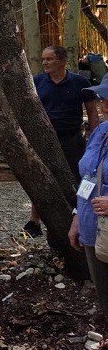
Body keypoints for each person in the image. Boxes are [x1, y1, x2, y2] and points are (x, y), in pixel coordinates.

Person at [26, 45, 101, 237]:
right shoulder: (37, 81)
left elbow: (92, 112)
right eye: (43, 59)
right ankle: (34, 220)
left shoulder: (80, 82)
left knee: (78, 177)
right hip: (45, 138)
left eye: (49, 59)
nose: (44, 63)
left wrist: (94, 138)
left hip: (72, 138)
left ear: (61, 61)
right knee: (41, 176)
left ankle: (78, 217)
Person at [69, 82, 108, 315]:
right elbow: (88, 175)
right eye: (102, 98)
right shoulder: (100, 132)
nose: (103, 104)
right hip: (92, 225)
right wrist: (77, 216)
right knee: (103, 292)